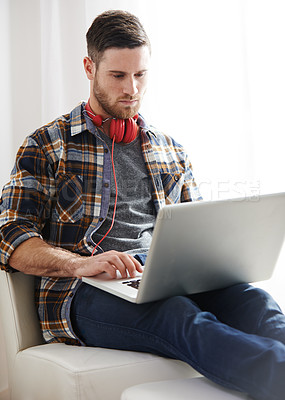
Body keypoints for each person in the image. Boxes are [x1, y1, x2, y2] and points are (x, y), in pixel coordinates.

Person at [0, 10, 285, 400]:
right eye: (118, 76)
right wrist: (80, 264)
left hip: (161, 278)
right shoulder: (47, 145)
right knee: (178, 317)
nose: (131, 88)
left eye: (140, 75)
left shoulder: (170, 150)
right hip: (83, 291)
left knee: (256, 303)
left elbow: (197, 233)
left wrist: (217, 261)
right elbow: (9, 235)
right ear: (89, 67)